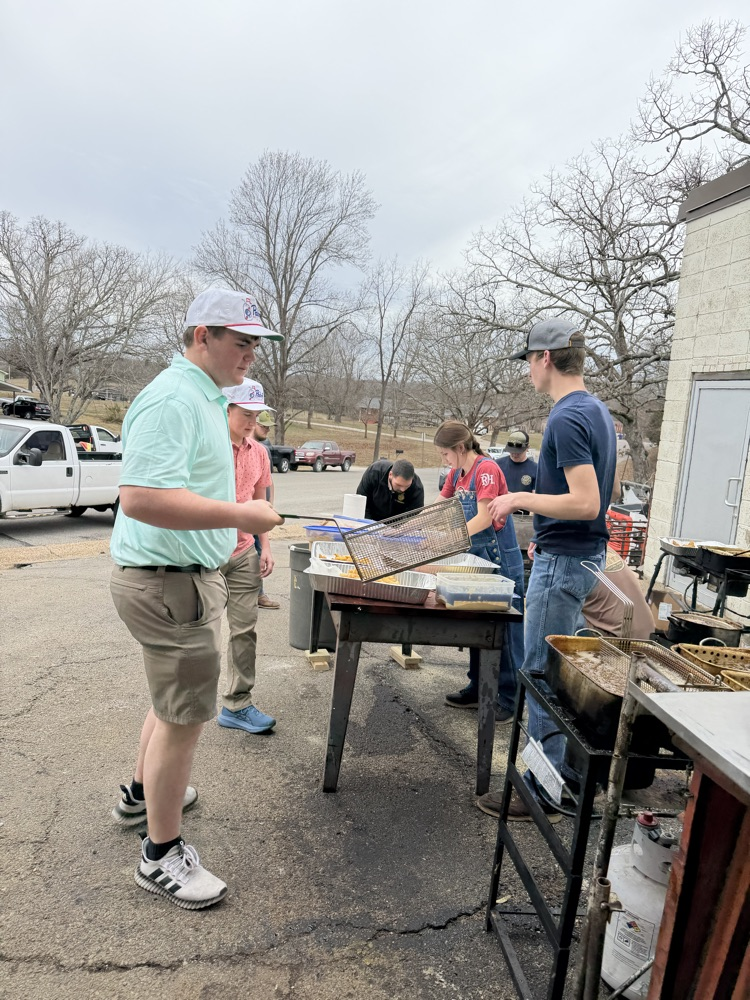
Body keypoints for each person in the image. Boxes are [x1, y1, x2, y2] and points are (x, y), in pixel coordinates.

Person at [109, 288, 283, 909]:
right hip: (167, 579)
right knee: (184, 717)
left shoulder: (206, 395)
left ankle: (142, 794)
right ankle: (161, 855)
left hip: (181, 575)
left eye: (256, 344)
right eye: (242, 341)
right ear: (203, 335)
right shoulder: (173, 398)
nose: (251, 355)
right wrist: (242, 515)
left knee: (170, 704)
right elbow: (141, 497)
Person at [477, 318, 617, 822]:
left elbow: (587, 501)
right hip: (576, 555)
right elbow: (589, 500)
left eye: (529, 361)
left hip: (565, 563)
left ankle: (542, 789)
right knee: (559, 674)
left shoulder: (565, 416)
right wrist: (547, 530)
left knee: (539, 675)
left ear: (545, 358)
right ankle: (565, 777)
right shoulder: (596, 410)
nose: (528, 372)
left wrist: (519, 499)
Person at [435, 420, 525, 723]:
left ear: (461, 448)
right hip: (477, 559)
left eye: (446, 454)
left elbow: (485, 517)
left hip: (501, 559)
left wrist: (450, 538)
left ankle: (510, 698)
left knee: (505, 629)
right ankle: (478, 687)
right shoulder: (456, 474)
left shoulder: (486, 470)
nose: (444, 460)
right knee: (479, 622)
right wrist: (409, 529)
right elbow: (438, 507)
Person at [216, 379, 278, 736]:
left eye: (256, 416)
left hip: (243, 552)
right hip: (206, 551)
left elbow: (261, 504)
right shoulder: (210, 447)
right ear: (226, 410)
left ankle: (237, 705)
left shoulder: (259, 453)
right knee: (198, 634)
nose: (252, 422)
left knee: (244, 631)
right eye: (245, 414)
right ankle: (187, 706)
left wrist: (264, 546)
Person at [250, 408, 281, 610]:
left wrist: (271, 505)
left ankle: (259, 593)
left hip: (262, 510)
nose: (267, 430)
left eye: (269, 428)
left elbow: (268, 482)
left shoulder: (264, 449)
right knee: (248, 551)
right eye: (264, 426)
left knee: (260, 550)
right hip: (247, 510)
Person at [355, 458, 425, 521]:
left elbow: (415, 517)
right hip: (371, 520)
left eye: (407, 486)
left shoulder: (416, 487)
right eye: (399, 485)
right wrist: (371, 525)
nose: (403, 490)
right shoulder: (374, 473)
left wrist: (399, 529)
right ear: (390, 475)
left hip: (398, 525)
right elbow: (361, 503)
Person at [496, 430, 537, 508]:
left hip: (524, 512)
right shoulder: (497, 465)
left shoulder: (536, 469)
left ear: (527, 447)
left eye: (518, 452)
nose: (515, 454)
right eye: (512, 451)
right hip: (500, 510)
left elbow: (536, 499)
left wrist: (515, 499)